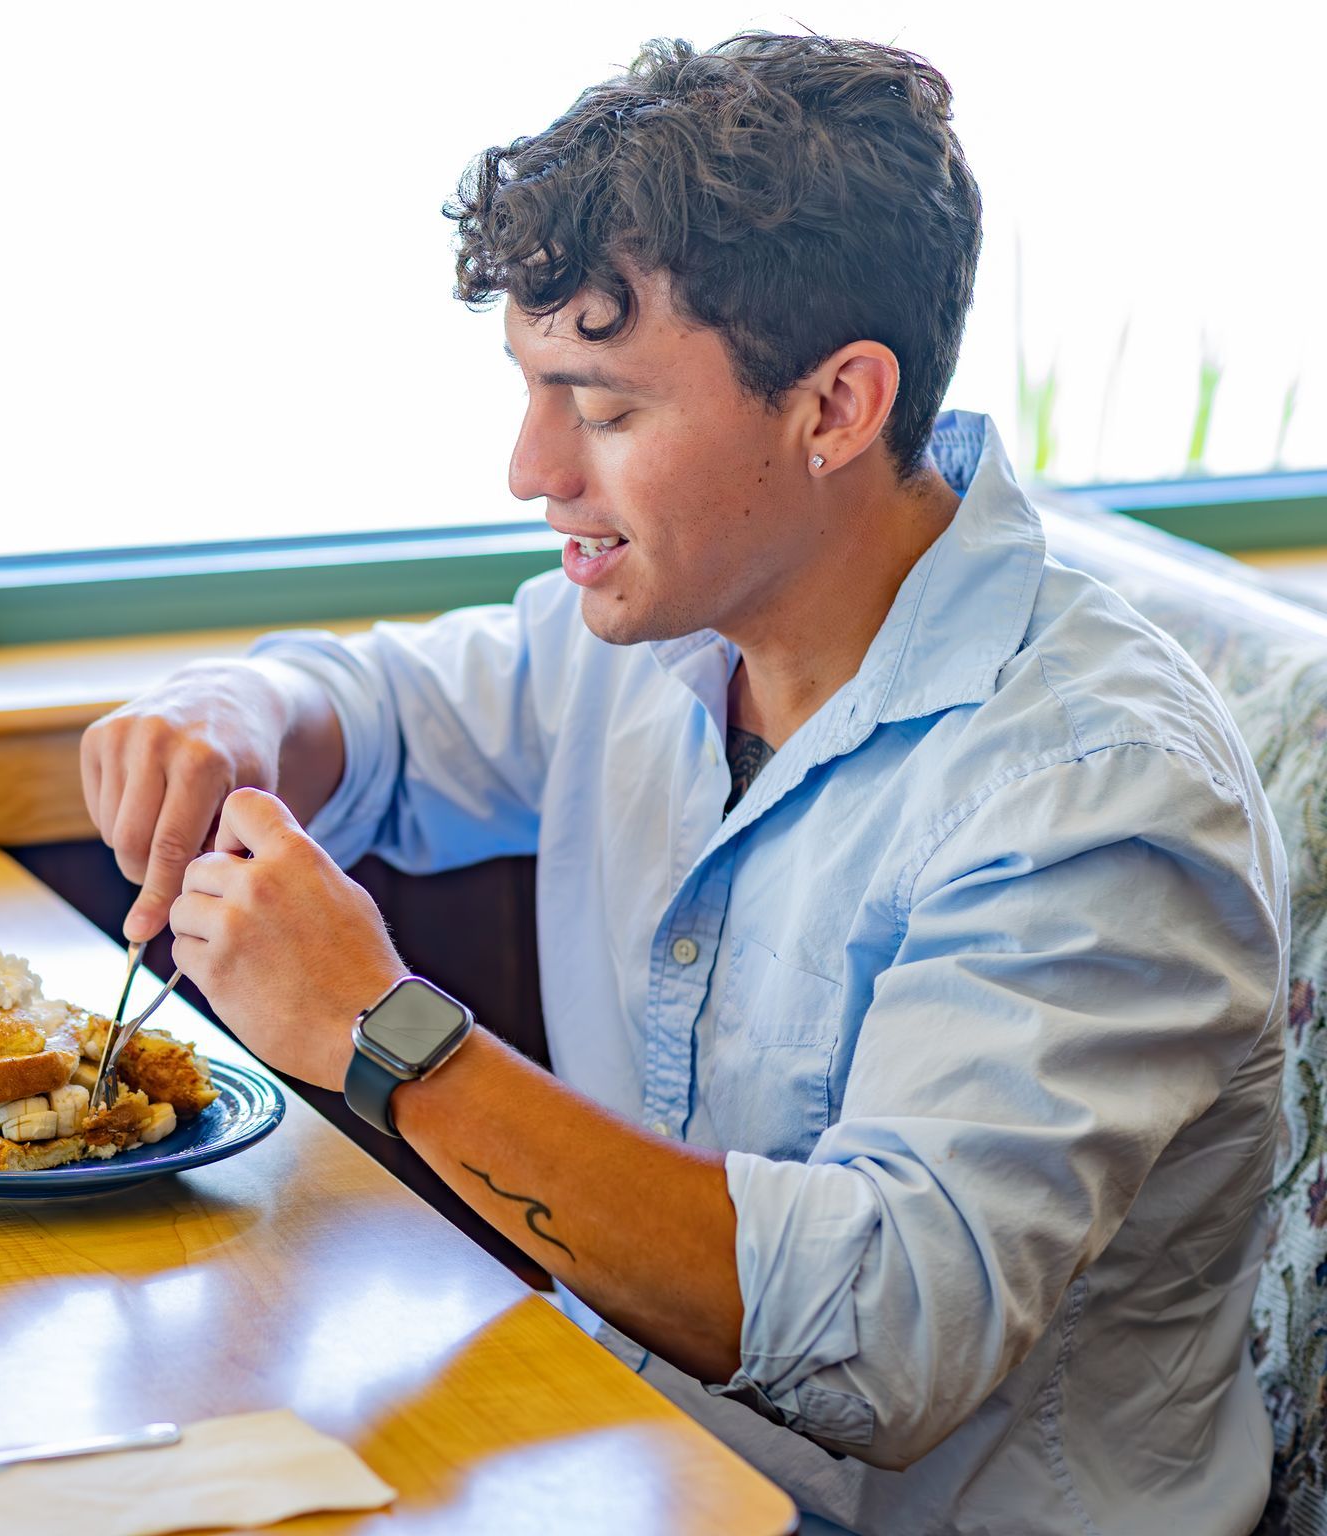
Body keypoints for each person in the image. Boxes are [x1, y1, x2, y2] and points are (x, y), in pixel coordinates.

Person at [80, 33, 1286, 1535]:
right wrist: (230, 711)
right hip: (625, 1463)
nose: (531, 469)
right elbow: (379, 715)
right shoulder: (661, 620)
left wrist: (382, 1033)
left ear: (838, 407)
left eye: (605, 407)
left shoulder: (1097, 795)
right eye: (530, 390)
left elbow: (884, 1335)